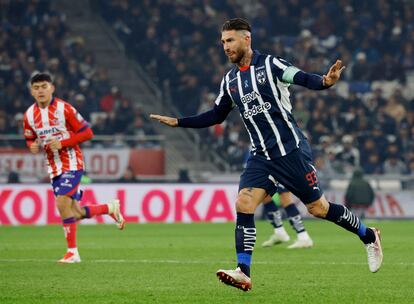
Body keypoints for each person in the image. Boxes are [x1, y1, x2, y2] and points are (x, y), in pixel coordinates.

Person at [150, 18, 383, 291]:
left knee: (318, 208)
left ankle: (368, 236)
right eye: (223, 42)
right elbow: (216, 115)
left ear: (246, 39)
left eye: (230, 40)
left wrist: (325, 81)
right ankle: (243, 271)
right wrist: (180, 122)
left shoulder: (271, 65)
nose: (225, 47)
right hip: (260, 156)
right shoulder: (230, 80)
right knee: (244, 203)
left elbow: (303, 78)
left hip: (290, 152)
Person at [23, 73, 126, 263]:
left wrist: (63, 143)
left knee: (62, 202)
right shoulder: (29, 115)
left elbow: (88, 133)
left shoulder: (64, 109)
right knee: (75, 212)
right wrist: (32, 146)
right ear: (32, 91)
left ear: (52, 88)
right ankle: (109, 208)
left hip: (72, 163)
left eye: (44, 86)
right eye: (36, 88)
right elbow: (29, 137)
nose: (40, 91)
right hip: (54, 168)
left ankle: (72, 253)